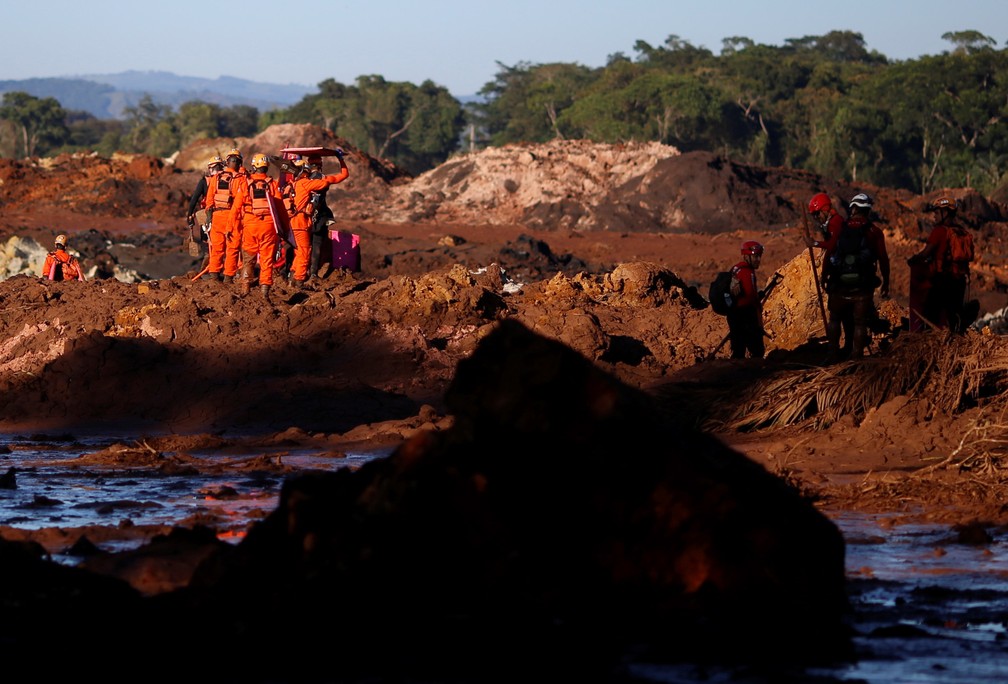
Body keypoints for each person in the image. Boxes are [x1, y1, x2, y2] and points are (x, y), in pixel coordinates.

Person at [821, 193, 890, 359]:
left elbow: (830, 251)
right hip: (862, 287)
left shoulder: (841, 228)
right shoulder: (874, 231)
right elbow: (883, 259)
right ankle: (856, 356)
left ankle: (832, 353)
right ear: (867, 210)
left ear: (853, 208)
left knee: (835, 319)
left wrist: (824, 275)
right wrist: (886, 282)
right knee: (860, 322)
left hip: (839, 285)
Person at [908, 196, 975, 332]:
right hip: (960, 280)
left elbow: (925, 253)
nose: (934, 216)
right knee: (953, 314)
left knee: (929, 312)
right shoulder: (961, 231)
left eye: (937, 213)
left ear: (945, 214)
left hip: (942, 280)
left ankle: (919, 333)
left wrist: (913, 260)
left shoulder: (939, 231)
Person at [287, 151, 349, 285]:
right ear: (321, 165)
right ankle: (308, 276)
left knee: (299, 249)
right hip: (317, 216)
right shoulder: (318, 180)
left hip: (300, 218)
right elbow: (344, 175)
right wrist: (340, 159)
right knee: (313, 246)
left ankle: (293, 274)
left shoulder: (296, 183)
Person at [227, 153, 283, 301]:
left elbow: (235, 208)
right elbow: (280, 209)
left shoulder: (246, 184)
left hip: (250, 226)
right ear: (267, 167)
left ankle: (245, 289)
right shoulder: (272, 184)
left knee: (248, 259)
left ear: (253, 166)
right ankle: (265, 292)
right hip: (269, 227)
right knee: (266, 260)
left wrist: (230, 227)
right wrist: (284, 229)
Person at [205, 148, 248, 282]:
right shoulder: (241, 179)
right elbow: (243, 200)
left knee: (217, 248)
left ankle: (214, 275)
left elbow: (209, 201)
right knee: (233, 248)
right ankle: (228, 277)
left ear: (227, 162)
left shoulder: (216, 178)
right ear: (239, 163)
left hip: (217, 216)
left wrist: (209, 218)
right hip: (233, 217)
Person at [725, 241, 766, 360]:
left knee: (738, 349)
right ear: (746, 256)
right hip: (745, 314)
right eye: (755, 256)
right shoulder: (747, 271)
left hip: (733, 313)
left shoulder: (736, 268)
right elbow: (750, 296)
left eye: (759, 256)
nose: (758, 259)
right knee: (757, 351)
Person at [186, 155, 224, 263]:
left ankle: (211, 268)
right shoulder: (228, 180)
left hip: (208, 215)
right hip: (224, 215)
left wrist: (189, 215)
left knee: (208, 243)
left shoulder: (204, 181)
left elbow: (194, 199)